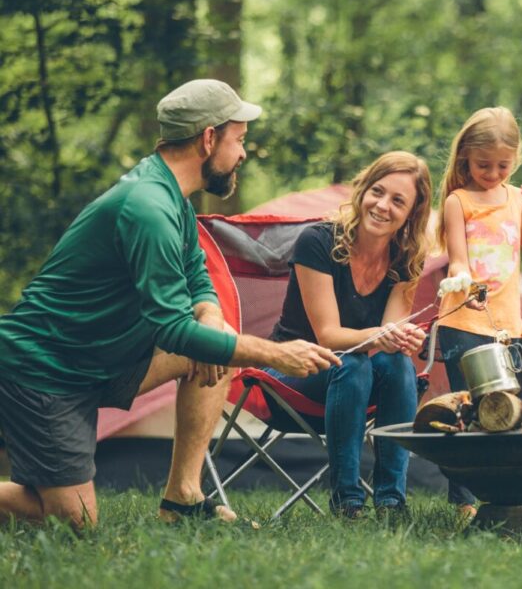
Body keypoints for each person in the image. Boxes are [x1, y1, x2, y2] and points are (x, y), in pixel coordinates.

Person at [0, 79, 339, 529]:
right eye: (238, 140)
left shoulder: (170, 195)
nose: (242, 153)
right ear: (208, 138)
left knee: (213, 340)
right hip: (47, 371)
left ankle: (182, 497)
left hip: (101, 361)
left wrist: (212, 316)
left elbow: (196, 272)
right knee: (74, 525)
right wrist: (276, 353)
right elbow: (171, 330)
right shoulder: (147, 208)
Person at [262, 151, 432, 519]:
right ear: (363, 191)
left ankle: (391, 500)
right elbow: (328, 337)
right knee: (351, 362)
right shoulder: (317, 242)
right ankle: (348, 501)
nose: (383, 205)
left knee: (399, 365)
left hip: (354, 379)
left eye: (398, 200)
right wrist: (382, 334)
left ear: (412, 213)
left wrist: (403, 339)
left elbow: (389, 340)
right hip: (290, 374)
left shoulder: (405, 258)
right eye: (378, 191)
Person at [435, 106, 522, 518]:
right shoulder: (458, 200)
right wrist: (463, 278)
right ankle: (463, 501)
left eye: (503, 165)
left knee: (508, 410)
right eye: (484, 164)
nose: (493, 173)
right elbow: (458, 260)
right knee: (468, 409)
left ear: (516, 160)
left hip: (507, 324)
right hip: (463, 320)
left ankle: (506, 492)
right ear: (466, 156)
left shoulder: (518, 198)